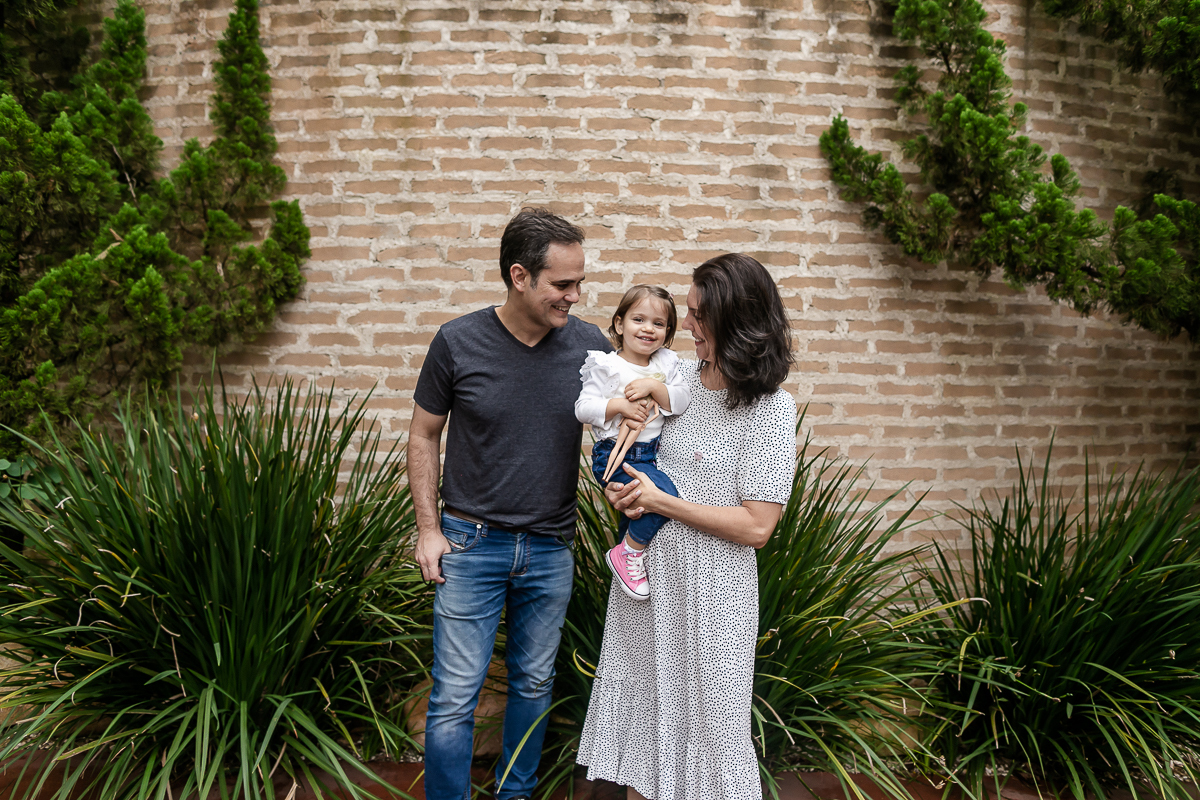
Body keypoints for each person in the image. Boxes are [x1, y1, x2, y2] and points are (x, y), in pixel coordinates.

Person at [577, 253, 798, 800]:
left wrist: (664, 503)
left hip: (714, 601)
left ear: (735, 319)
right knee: (646, 743)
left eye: (699, 314)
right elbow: (637, 466)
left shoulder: (771, 409)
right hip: (647, 588)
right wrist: (624, 493)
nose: (687, 326)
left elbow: (756, 527)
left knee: (716, 745)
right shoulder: (677, 385)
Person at [409, 208, 612, 800]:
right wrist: (428, 530)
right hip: (470, 544)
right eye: (562, 284)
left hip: (551, 546)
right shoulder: (457, 341)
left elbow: (620, 420)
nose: (575, 296)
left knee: (532, 685)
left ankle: (513, 794)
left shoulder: (589, 347)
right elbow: (424, 434)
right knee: (454, 695)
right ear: (520, 277)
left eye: (579, 283)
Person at [574, 285, 690, 600]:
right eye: (639, 319)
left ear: (668, 332)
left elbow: (680, 400)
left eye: (658, 323)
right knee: (665, 494)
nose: (648, 329)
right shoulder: (607, 366)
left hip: (649, 455)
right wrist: (620, 407)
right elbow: (583, 409)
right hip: (614, 454)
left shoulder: (665, 364)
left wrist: (654, 385)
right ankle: (628, 553)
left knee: (638, 511)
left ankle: (631, 555)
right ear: (620, 323)